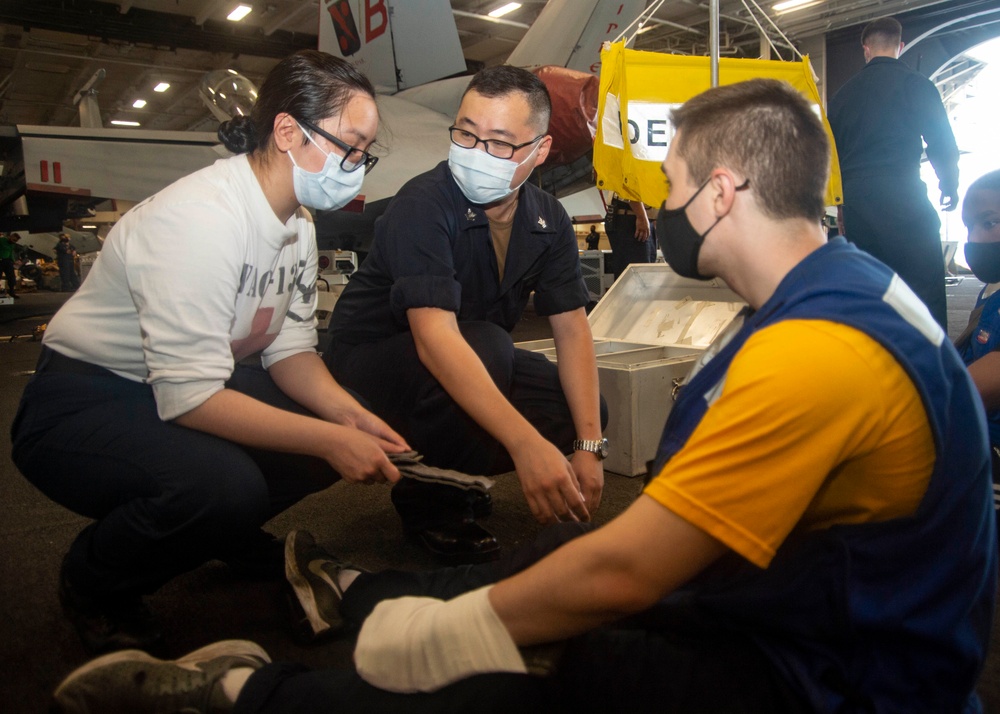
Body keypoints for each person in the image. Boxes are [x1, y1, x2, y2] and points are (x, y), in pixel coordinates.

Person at [52, 79, 998, 714]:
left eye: (666, 184)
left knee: (542, 664)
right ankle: (362, 588)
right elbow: (437, 340)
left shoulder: (810, 354)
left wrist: (468, 621)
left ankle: (243, 698)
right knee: (559, 555)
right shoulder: (853, 286)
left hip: (838, 675)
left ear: (719, 191)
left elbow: (631, 568)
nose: (653, 208)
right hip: (811, 607)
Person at [10, 50, 409, 657]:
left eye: (365, 152)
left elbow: (291, 350)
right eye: (350, 147)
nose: (357, 167)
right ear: (286, 132)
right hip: (78, 399)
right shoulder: (199, 220)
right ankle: (95, 580)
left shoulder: (296, 225)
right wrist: (329, 438)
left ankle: (213, 531)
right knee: (225, 486)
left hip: (170, 386)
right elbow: (192, 396)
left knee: (329, 424)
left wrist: (348, 418)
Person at [324, 66, 608, 564]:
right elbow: (436, 338)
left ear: (539, 151)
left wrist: (588, 443)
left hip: (468, 351)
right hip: (372, 368)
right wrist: (525, 446)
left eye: (499, 143)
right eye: (466, 134)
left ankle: (451, 469)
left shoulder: (548, 218)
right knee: (489, 347)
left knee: (581, 409)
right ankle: (429, 500)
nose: (476, 154)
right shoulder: (424, 203)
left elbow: (572, 328)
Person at [828, 16, 960, 330]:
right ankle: (929, 363)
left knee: (870, 287)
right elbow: (941, 139)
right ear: (899, 46)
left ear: (866, 49)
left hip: (858, 200)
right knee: (923, 284)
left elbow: (831, 156)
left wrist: (841, 205)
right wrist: (949, 183)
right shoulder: (916, 84)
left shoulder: (842, 96)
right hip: (903, 193)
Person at [954, 168, 1000, 533]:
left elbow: (985, 381)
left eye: (989, 223)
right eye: (969, 228)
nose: (975, 240)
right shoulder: (990, 292)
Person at [603, 195, 653, 279]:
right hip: (632, 217)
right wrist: (641, 216)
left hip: (642, 218)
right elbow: (630, 186)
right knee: (637, 279)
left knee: (644, 277)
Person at [0, 231, 21, 298]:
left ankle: (11, 292)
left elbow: (11, 253)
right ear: (10, 237)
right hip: (0, 260)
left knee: (11, 277)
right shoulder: (2, 240)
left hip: (8, 261)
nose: (14, 241)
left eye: (15, 241)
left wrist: (14, 261)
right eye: (13, 240)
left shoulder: (12, 244)